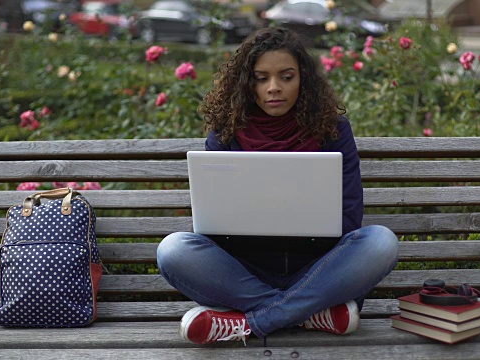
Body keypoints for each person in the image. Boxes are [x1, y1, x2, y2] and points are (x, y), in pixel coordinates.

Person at [156, 26, 399, 345]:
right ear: (248, 82)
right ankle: (311, 314)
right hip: (244, 274)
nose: (274, 88)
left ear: (304, 80)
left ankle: (250, 322)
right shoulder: (226, 133)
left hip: (319, 271)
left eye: (286, 77)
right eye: (262, 77)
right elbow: (211, 226)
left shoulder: (333, 131)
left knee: (381, 242)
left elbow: (350, 216)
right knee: (173, 250)